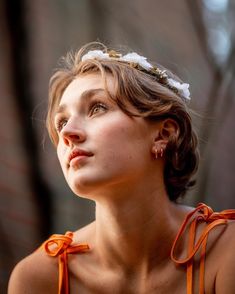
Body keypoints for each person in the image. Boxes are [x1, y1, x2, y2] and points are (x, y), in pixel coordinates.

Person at [8, 42, 235, 294]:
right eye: (61, 123)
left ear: (164, 134)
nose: (68, 133)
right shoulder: (38, 278)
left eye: (97, 107)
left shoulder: (225, 250)